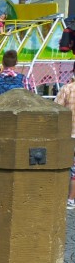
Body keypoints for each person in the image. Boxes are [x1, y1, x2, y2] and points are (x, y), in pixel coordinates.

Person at [55, 76, 75, 209]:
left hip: (69, 134)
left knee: (66, 167)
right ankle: (71, 198)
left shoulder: (67, 89)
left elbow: (56, 109)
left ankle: (69, 199)